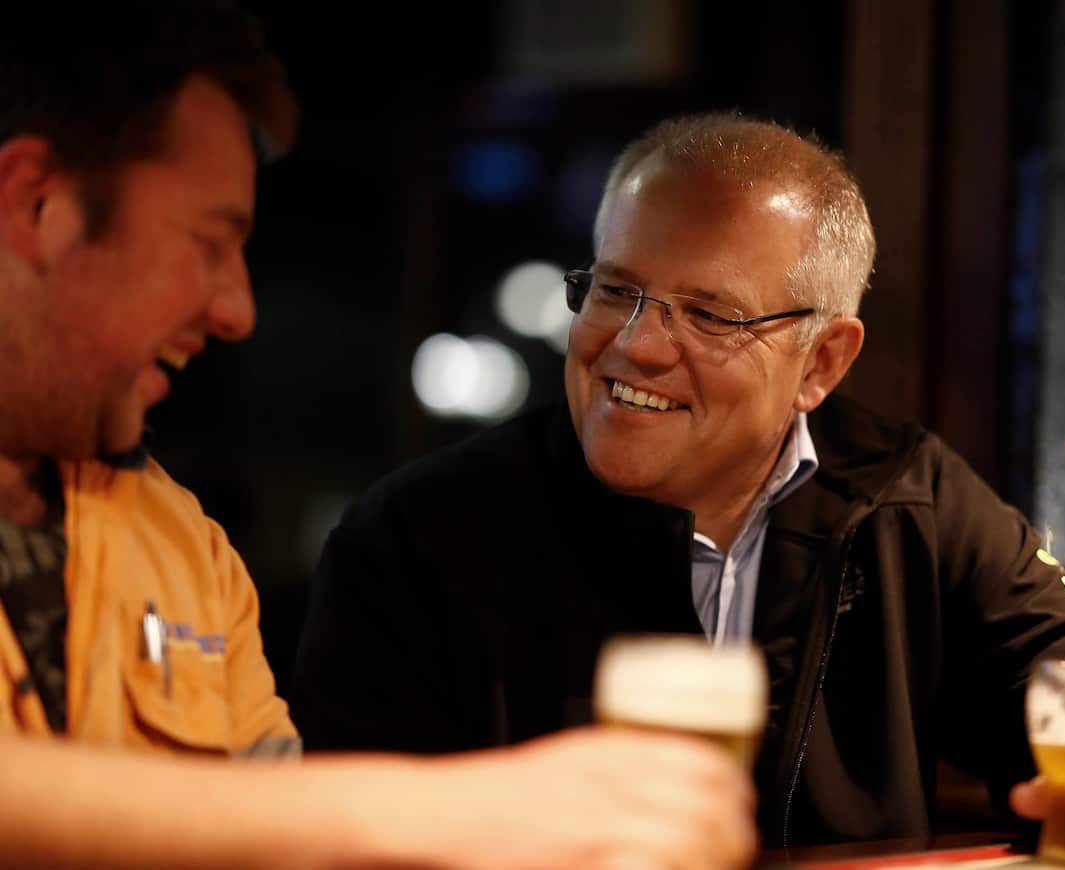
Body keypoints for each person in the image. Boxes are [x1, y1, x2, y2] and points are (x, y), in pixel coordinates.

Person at [293, 112, 1065, 869]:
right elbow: (345, 837)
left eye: (709, 314)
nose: (636, 346)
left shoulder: (909, 497)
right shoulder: (418, 536)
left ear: (822, 361)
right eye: (616, 291)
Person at [0, 6, 755, 868]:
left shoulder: (180, 543)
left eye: (713, 316)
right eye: (209, 242)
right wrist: (460, 813)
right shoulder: (417, 525)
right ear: (38, 203)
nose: (236, 309)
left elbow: (277, 825)